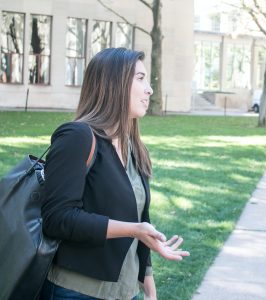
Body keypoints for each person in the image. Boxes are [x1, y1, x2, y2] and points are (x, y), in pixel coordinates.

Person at [40, 47, 189, 300]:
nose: (149, 89)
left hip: (124, 292)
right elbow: (57, 218)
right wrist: (133, 229)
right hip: (76, 291)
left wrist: (149, 289)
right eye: (140, 79)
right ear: (114, 83)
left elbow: (141, 218)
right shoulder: (77, 137)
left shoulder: (132, 145)